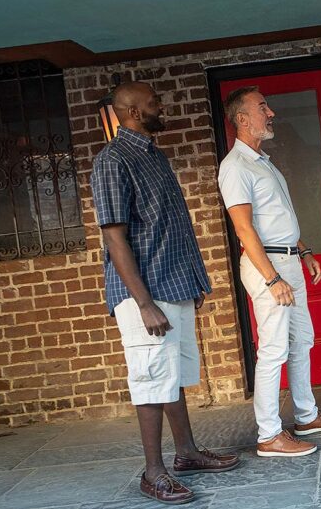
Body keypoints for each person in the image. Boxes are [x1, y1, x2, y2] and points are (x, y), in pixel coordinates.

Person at [90, 81, 240, 505]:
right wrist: (144, 303)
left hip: (173, 285)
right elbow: (115, 239)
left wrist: (192, 283)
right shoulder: (112, 160)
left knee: (171, 375)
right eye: (155, 102)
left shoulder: (152, 154)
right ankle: (153, 472)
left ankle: (187, 453)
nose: (162, 106)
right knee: (150, 380)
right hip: (146, 294)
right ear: (135, 111)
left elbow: (168, 228)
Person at [218, 86, 321, 457]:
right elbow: (244, 229)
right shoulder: (235, 167)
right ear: (242, 119)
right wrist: (272, 278)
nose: (271, 112)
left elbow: (278, 219)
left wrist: (304, 249)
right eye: (262, 108)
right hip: (269, 266)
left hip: (287, 259)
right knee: (273, 350)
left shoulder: (263, 161)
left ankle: (306, 416)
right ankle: (269, 435)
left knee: (302, 340)